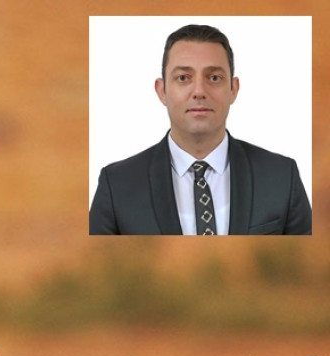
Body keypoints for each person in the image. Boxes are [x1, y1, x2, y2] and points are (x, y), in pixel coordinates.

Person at [89, 24, 312, 235]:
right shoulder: (116, 185)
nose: (199, 91)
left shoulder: (282, 177)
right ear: (162, 91)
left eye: (214, 78)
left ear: (233, 89)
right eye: (183, 78)